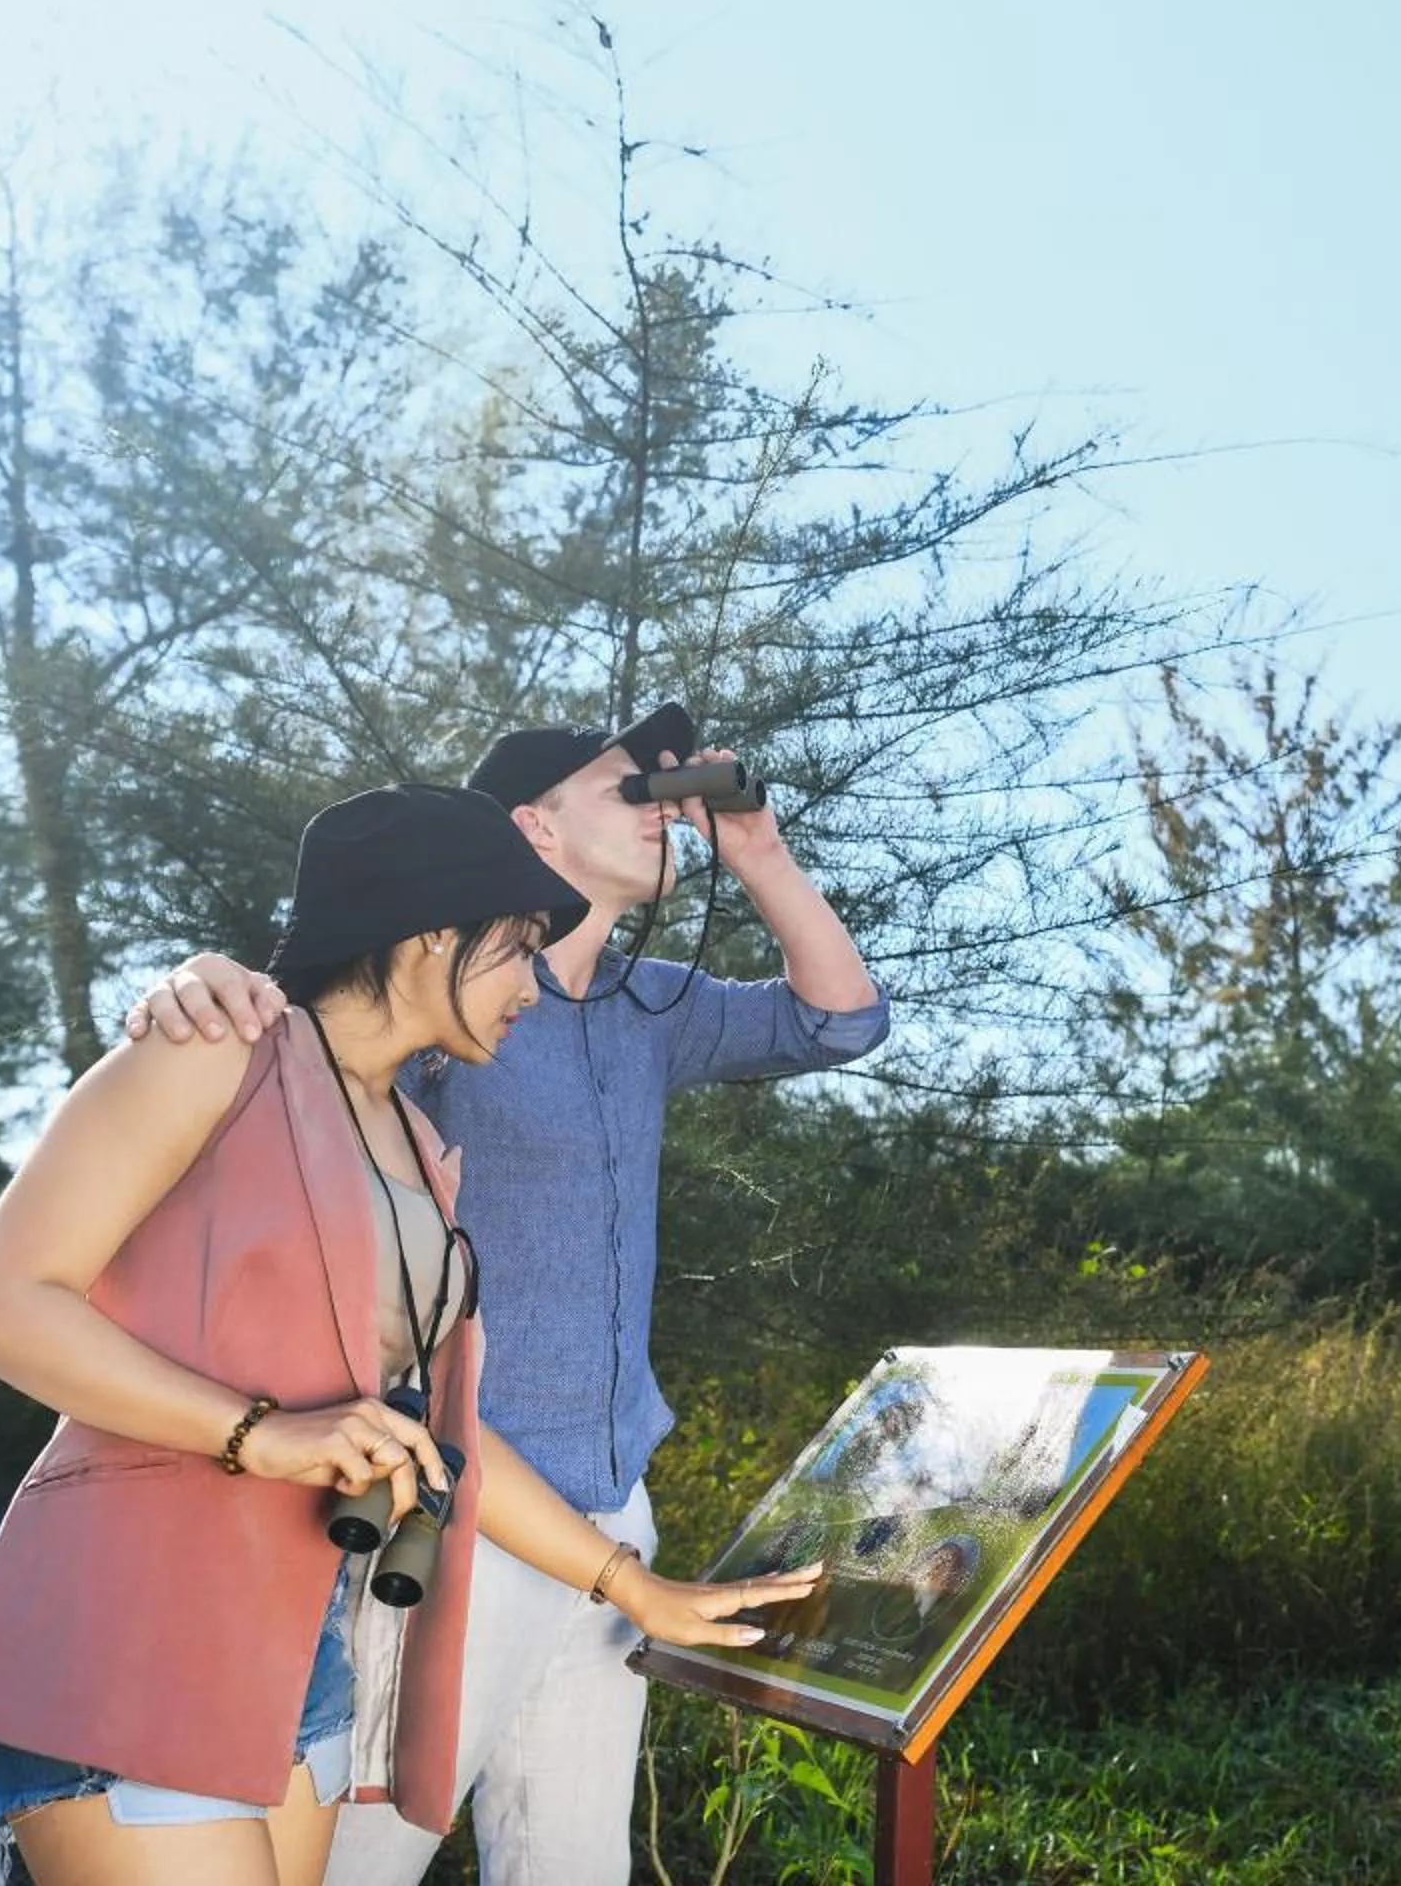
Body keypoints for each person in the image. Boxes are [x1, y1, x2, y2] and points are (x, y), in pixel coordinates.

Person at [0, 784, 821, 1886]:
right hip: (135, 1614)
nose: (529, 989)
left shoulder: (418, 1141)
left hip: (302, 1649)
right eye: (515, 949)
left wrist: (632, 1585)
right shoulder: (214, 1050)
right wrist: (263, 1431)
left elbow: (438, 1431)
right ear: (429, 934)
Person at [129, 705, 890, 1886]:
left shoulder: (657, 1005)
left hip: (614, 1513)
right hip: (449, 1503)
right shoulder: (447, 993)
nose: (658, 802)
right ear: (532, 826)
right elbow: (307, 1040)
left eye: (662, 786)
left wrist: (759, 855)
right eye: (626, 786)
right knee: (368, 1857)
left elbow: (843, 1021)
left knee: (574, 1864)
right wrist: (197, 978)